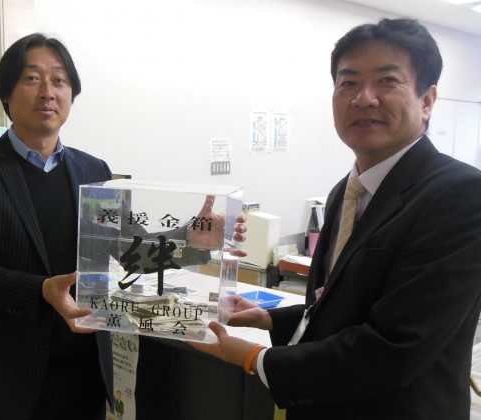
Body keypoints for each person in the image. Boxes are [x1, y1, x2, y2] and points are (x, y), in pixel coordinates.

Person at [0, 33, 244, 420]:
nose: (48, 92)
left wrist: (190, 239)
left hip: (83, 370)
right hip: (2, 374)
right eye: (32, 78)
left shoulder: (93, 170)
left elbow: (126, 253)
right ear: (6, 92)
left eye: (59, 80)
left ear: (71, 95)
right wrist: (42, 291)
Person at [190, 18, 481, 420]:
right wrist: (269, 317)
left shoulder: (461, 194)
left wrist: (254, 358)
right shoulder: (346, 190)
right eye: (348, 82)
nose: (364, 98)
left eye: (387, 81)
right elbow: (343, 305)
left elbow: (393, 347)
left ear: (427, 100)